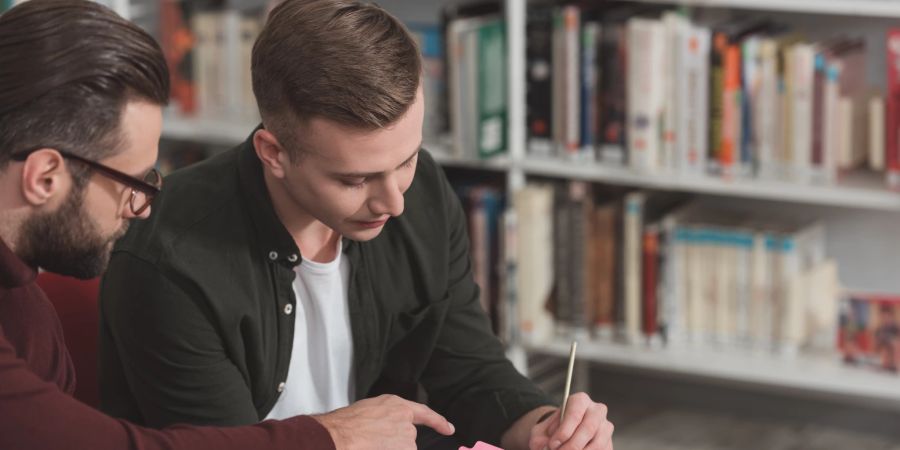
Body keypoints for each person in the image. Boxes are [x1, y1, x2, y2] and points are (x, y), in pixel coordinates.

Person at [99, 0, 616, 449]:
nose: (395, 202)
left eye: (407, 159)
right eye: (354, 179)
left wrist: (543, 426)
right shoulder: (166, 259)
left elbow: (466, 366)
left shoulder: (424, 191)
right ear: (273, 153)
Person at [0, 1, 454, 449]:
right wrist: (331, 436)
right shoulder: (159, 260)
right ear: (44, 177)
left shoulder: (25, 307)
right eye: (132, 182)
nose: (141, 208)